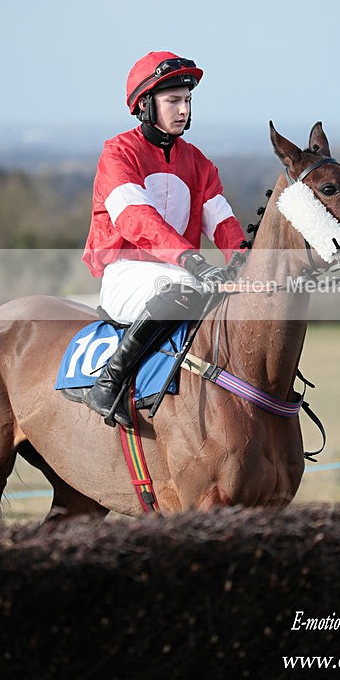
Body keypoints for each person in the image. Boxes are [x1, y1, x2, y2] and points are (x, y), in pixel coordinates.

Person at [80, 51, 247, 427]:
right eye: (173, 100)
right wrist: (192, 260)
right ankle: (108, 383)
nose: (184, 110)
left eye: (187, 100)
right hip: (127, 273)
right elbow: (137, 219)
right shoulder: (118, 153)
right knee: (185, 287)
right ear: (145, 105)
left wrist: (243, 259)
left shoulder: (199, 163)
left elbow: (223, 222)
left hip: (180, 273)